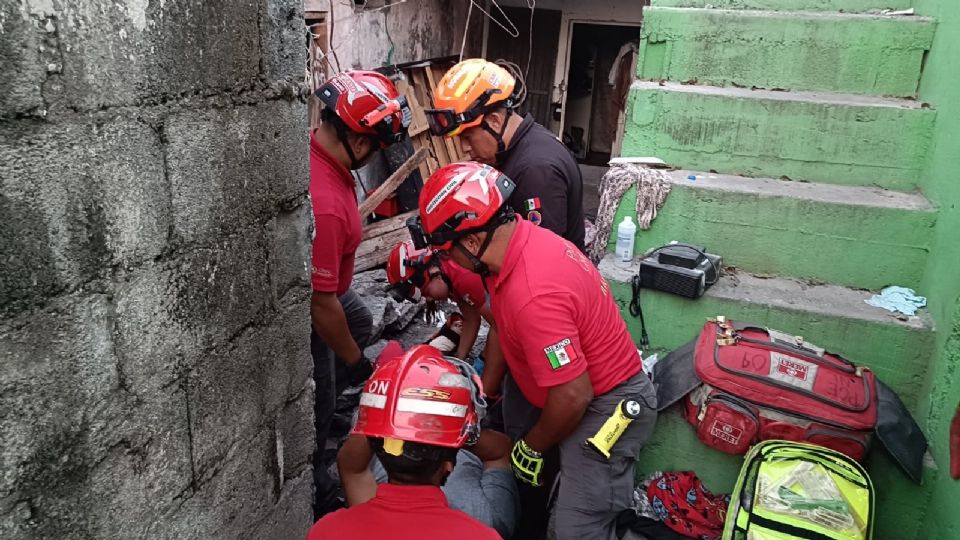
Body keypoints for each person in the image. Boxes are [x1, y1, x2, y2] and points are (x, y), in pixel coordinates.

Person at [409, 161, 659, 540]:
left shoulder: (534, 293)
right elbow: (506, 332)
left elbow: (574, 394)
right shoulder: (514, 248)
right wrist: (484, 389)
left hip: (605, 407)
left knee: (578, 530)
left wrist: (533, 446)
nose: (447, 262)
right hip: (571, 392)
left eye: (446, 252)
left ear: (472, 241)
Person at [309, 69, 410, 517]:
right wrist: (354, 362)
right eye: (373, 146)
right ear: (359, 139)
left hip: (336, 290)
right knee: (326, 387)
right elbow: (321, 303)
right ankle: (317, 478)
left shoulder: (328, 161)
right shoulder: (325, 204)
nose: (372, 156)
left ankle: (333, 402)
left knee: (362, 319)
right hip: (320, 301)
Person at [307, 345, 503, 540]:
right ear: (448, 465)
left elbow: (351, 466)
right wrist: (453, 429)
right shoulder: (484, 534)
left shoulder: (328, 531)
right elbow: (501, 452)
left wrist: (388, 407)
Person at [426, 58, 586, 251]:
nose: (464, 148)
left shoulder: (535, 170)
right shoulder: (522, 145)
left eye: (468, 137)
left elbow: (544, 255)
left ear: (494, 121)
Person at [386, 241, 508, 398]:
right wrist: (459, 358)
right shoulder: (450, 273)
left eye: (427, 292)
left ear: (433, 272)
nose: (429, 298)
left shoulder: (462, 276)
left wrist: (486, 387)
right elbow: (471, 319)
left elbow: (501, 326)